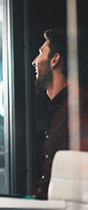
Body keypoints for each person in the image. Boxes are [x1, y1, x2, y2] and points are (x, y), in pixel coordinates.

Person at [30, 28, 88, 199]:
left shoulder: (78, 105)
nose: (34, 61)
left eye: (41, 53)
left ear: (55, 59)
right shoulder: (61, 107)